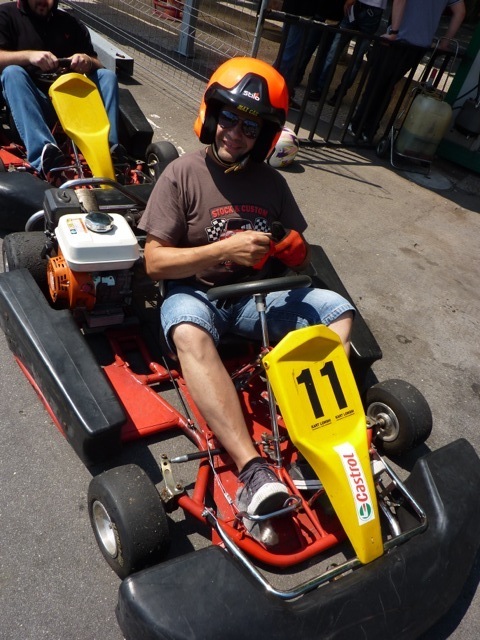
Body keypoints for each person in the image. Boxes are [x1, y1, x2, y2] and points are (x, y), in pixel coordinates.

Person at [139, 57, 355, 544]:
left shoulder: (273, 183)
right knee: (188, 329)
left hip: (254, 298)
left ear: (264, 136)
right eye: (230, 119)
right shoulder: (181, 173)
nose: (235, 134)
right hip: (195, 293)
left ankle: (314, 433)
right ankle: (253, 471)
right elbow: (153, 262)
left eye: (250, 127)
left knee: (338, 312)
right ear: (213, 116)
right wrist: (224, 250)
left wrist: (291, 249)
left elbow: (299, 251)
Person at [0, 0, 122, 178]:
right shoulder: (6, 16)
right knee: (12, 73)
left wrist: (87, 61)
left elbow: (98, 63)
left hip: (72, 103)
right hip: (34, 104)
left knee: (107, 76)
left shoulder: (70, 23)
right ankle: (44, 154)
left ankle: (109, 148)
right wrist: (29, 57)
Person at [349, 0, 466, 142]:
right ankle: (369, 129)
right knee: (388, 86)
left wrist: (394, 32)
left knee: (376, 83)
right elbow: (460, 12)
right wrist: (445, 43)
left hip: (400, 38)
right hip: (421, 44)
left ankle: (358, 125)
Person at [307, 0, 387, 104]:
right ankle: (335, 92)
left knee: (336, 53)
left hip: (365, 8)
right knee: (351, 57)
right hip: (371, 9)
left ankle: (323, 89)